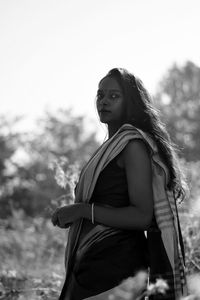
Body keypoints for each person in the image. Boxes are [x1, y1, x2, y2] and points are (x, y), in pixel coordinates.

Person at [51, 68, 187, 300]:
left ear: (130, 102)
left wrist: (82, 210)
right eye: (100, 95)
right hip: (92, 265)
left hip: (117, 268)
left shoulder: (132, 146)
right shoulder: (109, 147)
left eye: (114, 96)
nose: (104, 101)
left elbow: (142, 216)